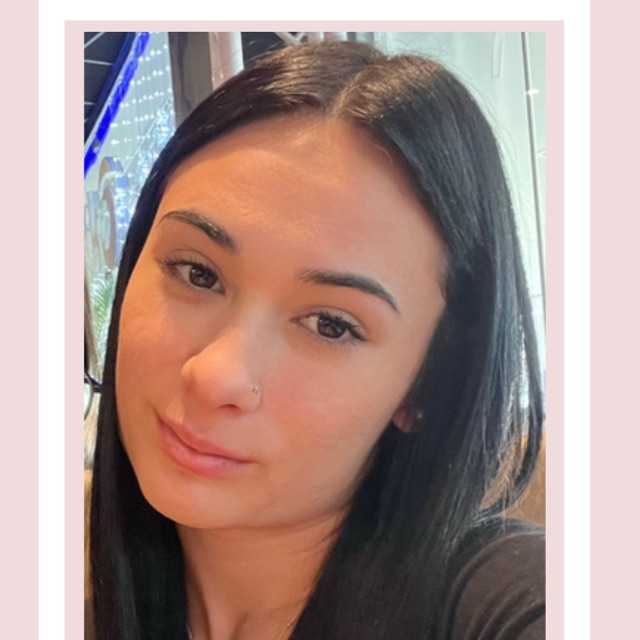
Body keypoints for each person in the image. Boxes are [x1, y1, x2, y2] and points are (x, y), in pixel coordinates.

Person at [87, 40, 545, 640]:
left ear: (427, 384)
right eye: (196, 273)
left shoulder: (503, 601)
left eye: (331, 324)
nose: (216, 375)